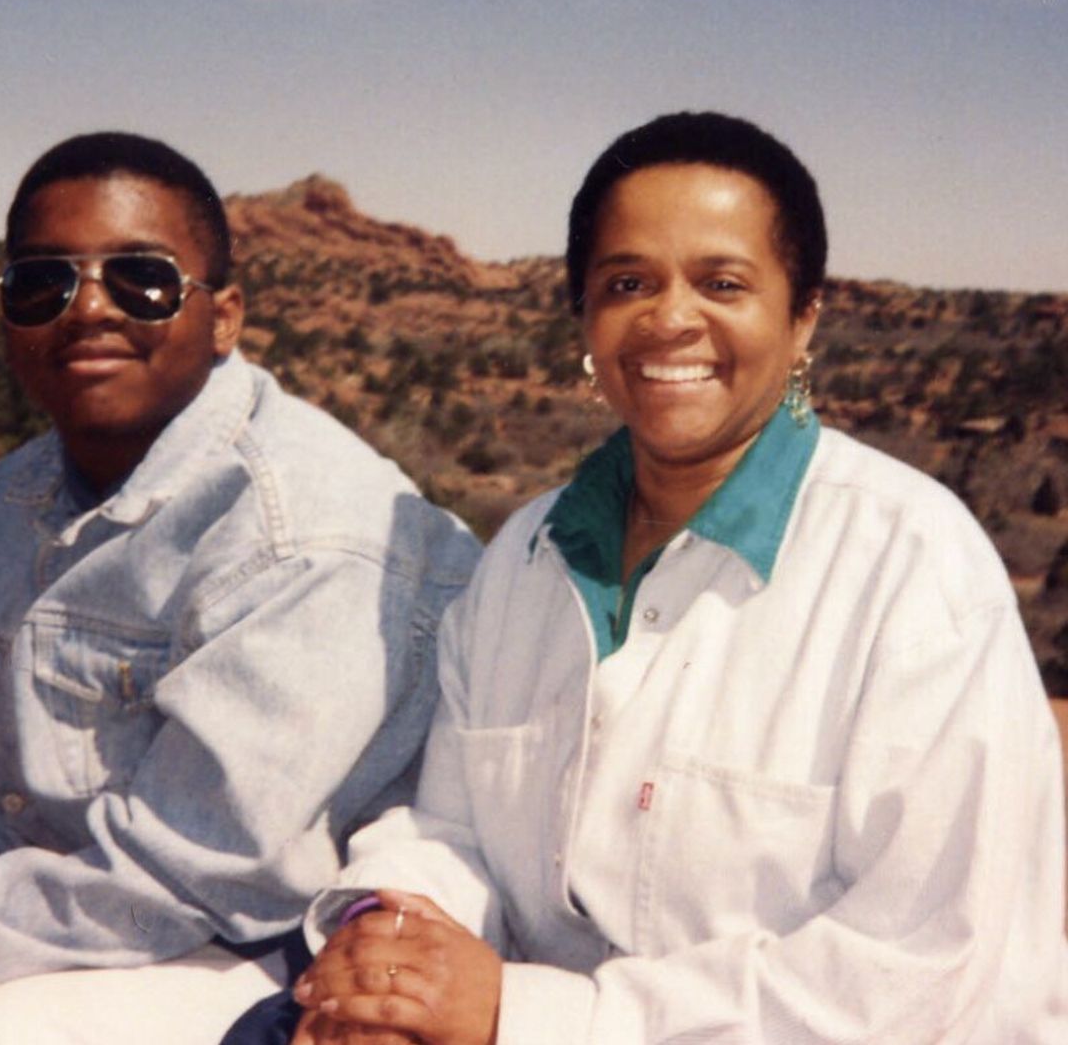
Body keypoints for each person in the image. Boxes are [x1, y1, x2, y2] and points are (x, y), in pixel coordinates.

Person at [287, 111, 1068, 1044]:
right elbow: (449, 832)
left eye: (722, 282)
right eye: (627, 283)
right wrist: (389, 955)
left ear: (804, 317)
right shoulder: (526, 556)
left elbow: (923, 974)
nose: (668, 318)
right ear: (584, 316)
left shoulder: (912, 568)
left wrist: (527, 1015)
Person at [0, 131, 480, 1045]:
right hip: (106, 895)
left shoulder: (306, 530)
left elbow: (195, 872)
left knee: (0, 1032)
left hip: (301, 933)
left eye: (140, 279)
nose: (88, 310)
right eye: (42, 282)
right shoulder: (20, 495)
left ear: (223, 316)